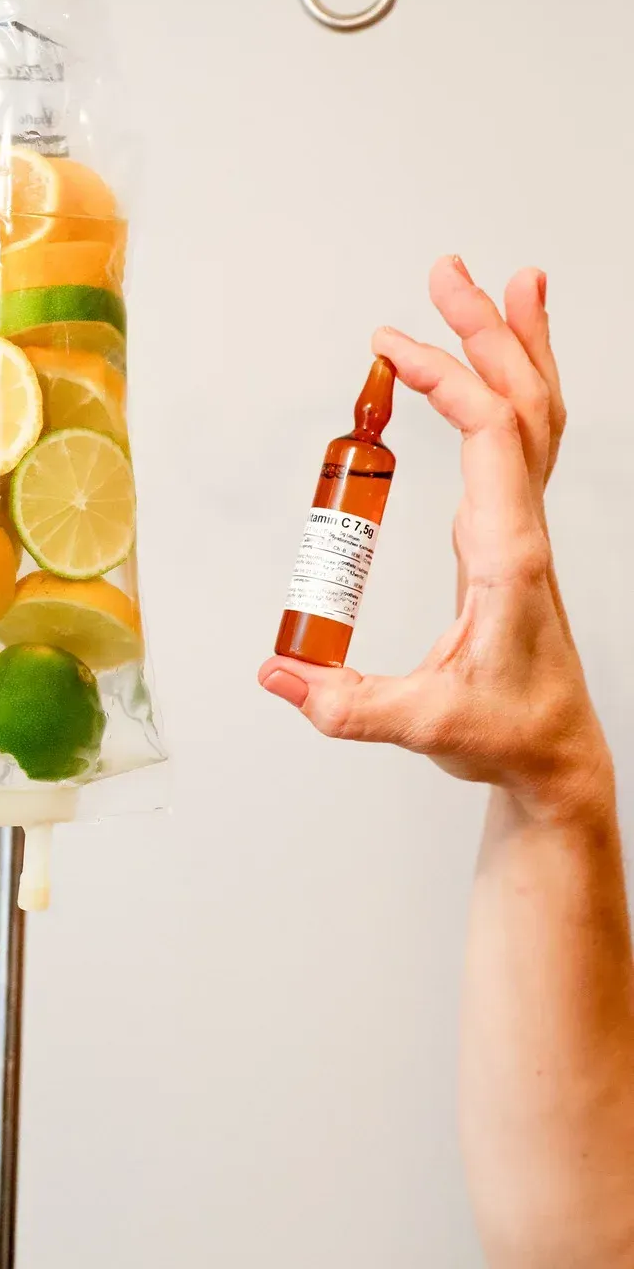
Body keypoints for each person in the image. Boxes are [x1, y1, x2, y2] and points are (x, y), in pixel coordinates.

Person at [258, 256, 634, 1269]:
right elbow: (579, 1246)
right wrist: (552, 777)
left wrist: (556, 778)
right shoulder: (358, 451)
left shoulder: (358, 456)